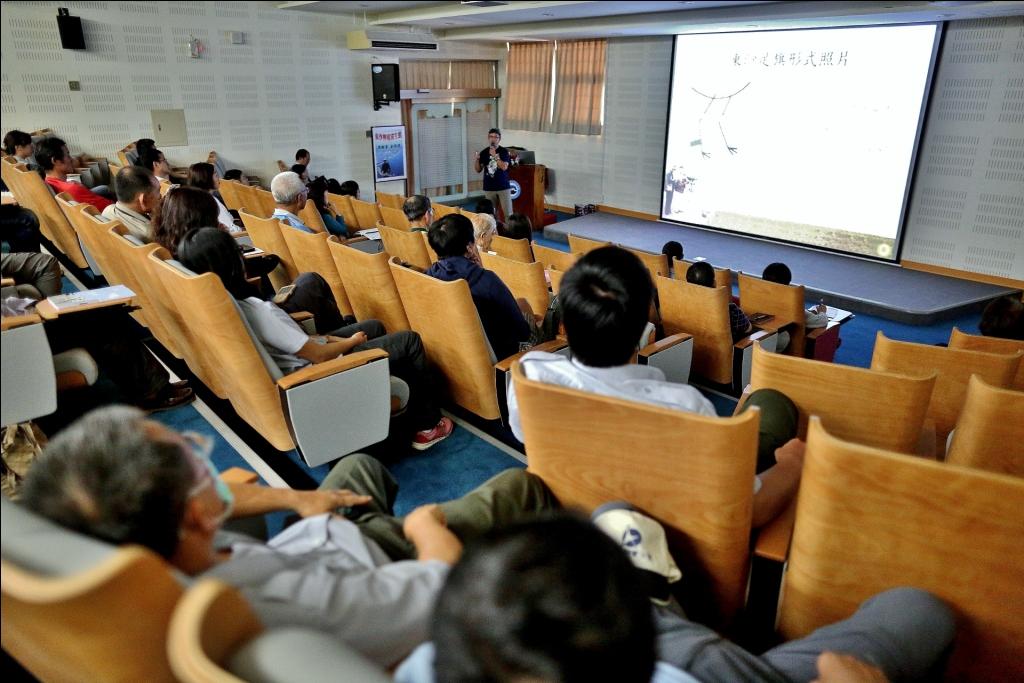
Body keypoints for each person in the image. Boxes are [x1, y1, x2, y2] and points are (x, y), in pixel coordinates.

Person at [20, 406, 556, 667]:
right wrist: (423, 527)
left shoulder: (138, 568)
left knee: (357, 466)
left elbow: (220, 505)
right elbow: (439, 585)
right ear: (195, 520)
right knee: (517, 485)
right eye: (192, 458)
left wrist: (297, 499)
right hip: (378, 566)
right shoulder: (285, 615)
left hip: (313, 545)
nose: (203, 459)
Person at [396, 514, 956, 683]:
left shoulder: (421, 669)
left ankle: (652, 589)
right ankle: (654, 596)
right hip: (701, 665)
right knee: (922, 611)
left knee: (616, 517)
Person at [507, 247, 803, 526]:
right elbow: (744, 512)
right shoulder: (685, 406)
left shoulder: (530, 376)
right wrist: (793, 463)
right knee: (771, 401)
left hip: (576, 518)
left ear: (565, 328)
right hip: (673, 528)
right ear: (644, 328)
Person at [178, 227, 453, 449]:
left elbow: (303, 345)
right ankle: (427, 424)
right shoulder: (260, 312)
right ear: (231, 263)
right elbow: (318, 355)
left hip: (306, 362)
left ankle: (396, 403)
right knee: (410, 341)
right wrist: (351, 342)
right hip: (321, 376)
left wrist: (336, 340)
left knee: (375, 325)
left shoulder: (224, 305)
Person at [426, 213, 532, 361]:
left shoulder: (430, 274)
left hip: (454, 353)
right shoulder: (487, 281)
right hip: (502, 357)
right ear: (470, 246)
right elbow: (523, 332)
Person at [35, 137, 112, 212]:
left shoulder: (48, 182)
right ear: (55, 161)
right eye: (68, 155)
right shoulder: (72, 189)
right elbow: (110, 208)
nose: (71, 159)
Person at [686, 261, 752, 342]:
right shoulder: (729, 309)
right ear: (714, 283)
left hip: (692, 348)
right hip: (727, 352)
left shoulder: (681, 303)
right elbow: (748, 329)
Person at [101, 165, 161, 243]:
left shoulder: (107, 210)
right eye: (158, 191)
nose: (160, 196)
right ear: (143, 200)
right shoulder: (149, 234)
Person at [761, 262, 828, 329]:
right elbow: (822, 322)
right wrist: (822, 312)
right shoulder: (791, 306)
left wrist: (807, 313)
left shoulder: (756, 296)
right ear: (787, 284)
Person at [474, 128, 512, 222]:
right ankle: (495, 234)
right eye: (491, 136)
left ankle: (510, 235)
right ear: (488, 138)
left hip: (503, 187)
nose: (493, 139)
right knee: (490, 215)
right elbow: (478, 169)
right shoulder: (484, 152)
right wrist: (477, 159)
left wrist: (495, 156)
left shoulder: (504, 151)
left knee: (508, 214)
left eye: (496, 137)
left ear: (499, 139)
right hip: (489, 188)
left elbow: (504, 167)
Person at [188, 162, 237, 232]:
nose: (219, 178)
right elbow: (231, 229)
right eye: (216, 174)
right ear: (206, 178)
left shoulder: (194, 198)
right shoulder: (210, 201)